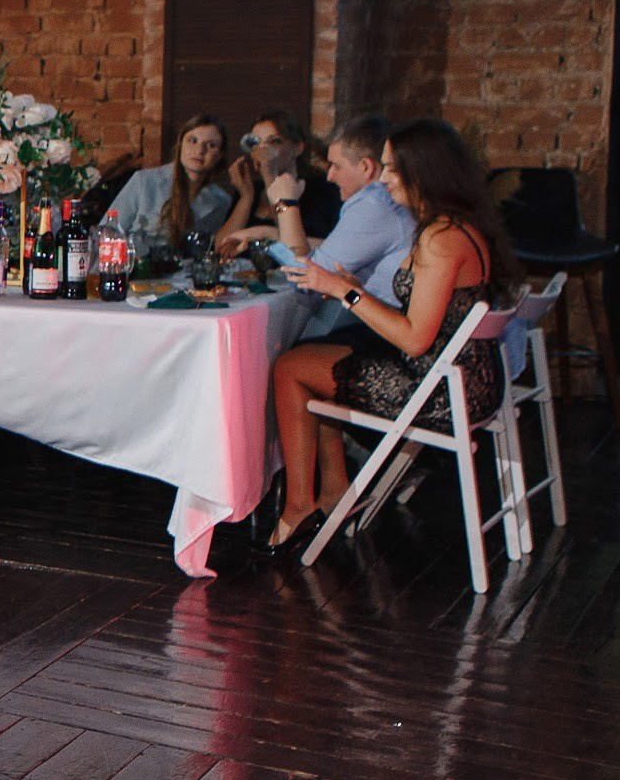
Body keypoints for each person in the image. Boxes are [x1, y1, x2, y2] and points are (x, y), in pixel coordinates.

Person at [267, 117, 522, 550]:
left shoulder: (440, 238)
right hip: (467, 378)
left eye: (391, 169)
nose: (382, 179)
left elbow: (414, 338)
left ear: (423, 173)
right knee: (318, 356)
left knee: (291, 368)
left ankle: (299, 507)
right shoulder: (458, 226)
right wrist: (362, 291)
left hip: (441, 390)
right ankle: (332, 492)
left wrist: (344, 291)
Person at [271, 114, 415, 340]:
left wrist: (286, 204)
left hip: (389, 333)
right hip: (388, 322)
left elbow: (305, 280)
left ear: (367, 167)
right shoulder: (382, 203)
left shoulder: (374, 202)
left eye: (336, 166)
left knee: (285, 357)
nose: (329, 176)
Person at [101, 113, 232, 254]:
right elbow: (106, 233)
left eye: (211, 145)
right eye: (192, 140)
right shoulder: (145, 181)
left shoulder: (220, 201)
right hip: (137, 270)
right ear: (181, 144)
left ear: (219, 155)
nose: (200, 150)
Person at [213, 111, 341, 255]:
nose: (262, 150)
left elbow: (293, 246)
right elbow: (220, 246)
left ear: (298, 148)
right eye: (255, 143)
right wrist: (246, 197)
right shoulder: (251, 189)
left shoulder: (321, 189)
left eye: (274, 142)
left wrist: (270, 178)